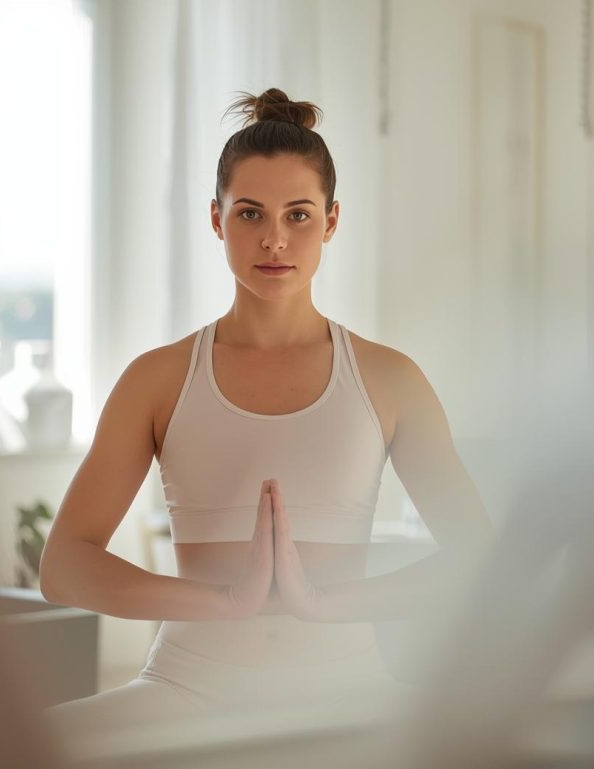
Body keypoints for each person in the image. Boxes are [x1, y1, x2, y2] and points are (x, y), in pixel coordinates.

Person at [38, 87, 492, 737]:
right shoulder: (158, 379)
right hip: (189, 687)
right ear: (217, 219)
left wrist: (326, 603)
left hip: (351, 692)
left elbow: (478, 555)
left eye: (298, 215)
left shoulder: (390, 378)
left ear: (332, 221)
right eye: (250, 213)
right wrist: (221, 601)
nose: (274, 238)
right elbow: (64, 565)